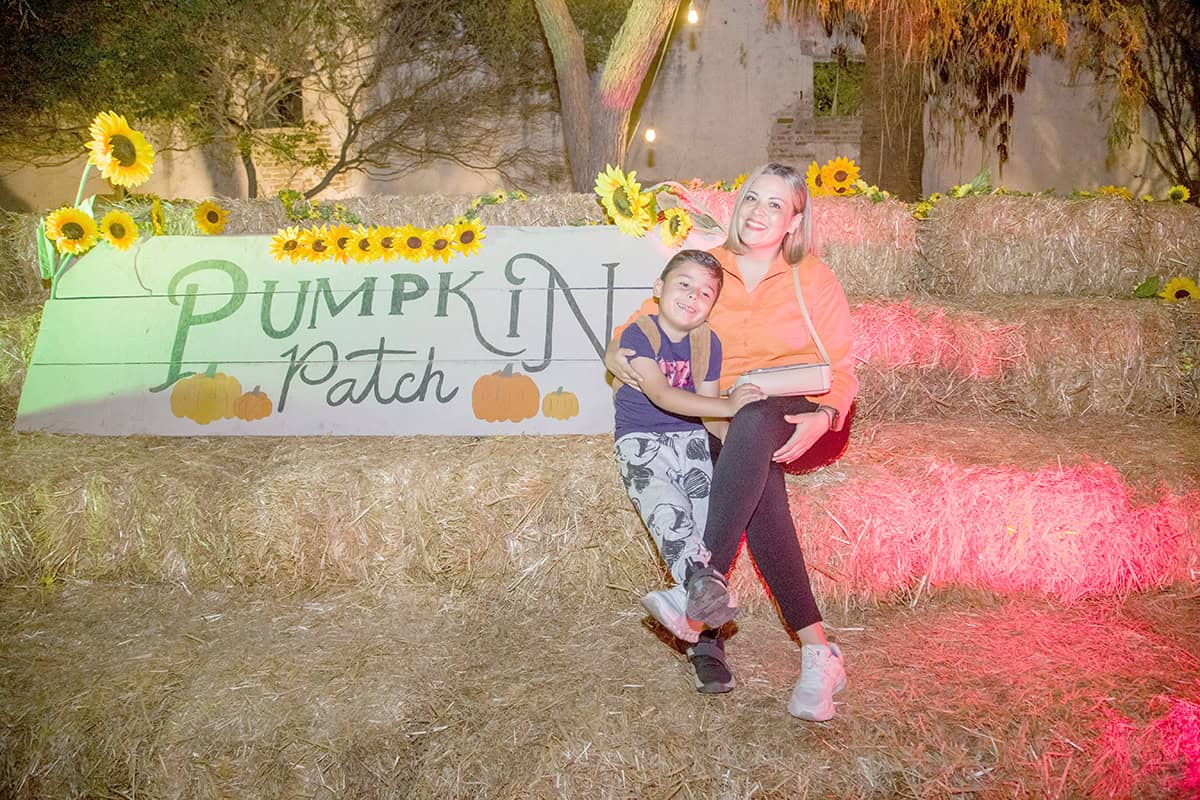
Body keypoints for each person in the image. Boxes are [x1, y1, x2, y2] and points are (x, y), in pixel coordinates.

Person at [606, 163, 858, 721]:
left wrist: (828, 414)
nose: (758, 212)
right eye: (751, 198)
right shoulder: (708, 268)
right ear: (736, 203)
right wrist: (618, 356)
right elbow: (642, 326)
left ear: (795, 220)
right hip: (727, 413)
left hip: (802, 411)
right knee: (757, 470)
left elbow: (843, 368)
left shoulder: (813, 277)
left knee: (756, 421)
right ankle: (819, 650)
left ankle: (701, 586)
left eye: (775, 205)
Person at [613, 249, 765, 659]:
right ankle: (693, 589)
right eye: (684, 285)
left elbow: (706, 408)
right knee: (666, 510)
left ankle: (687, 602)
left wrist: (741, 448)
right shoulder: (639, 333)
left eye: (704, 293)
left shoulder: (707, 342)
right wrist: (733, 404)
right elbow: (662, 394)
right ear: (659, 289)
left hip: (692, 441)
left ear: (711, 306)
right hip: (643, 441)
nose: (692, 297)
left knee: (706, 524)